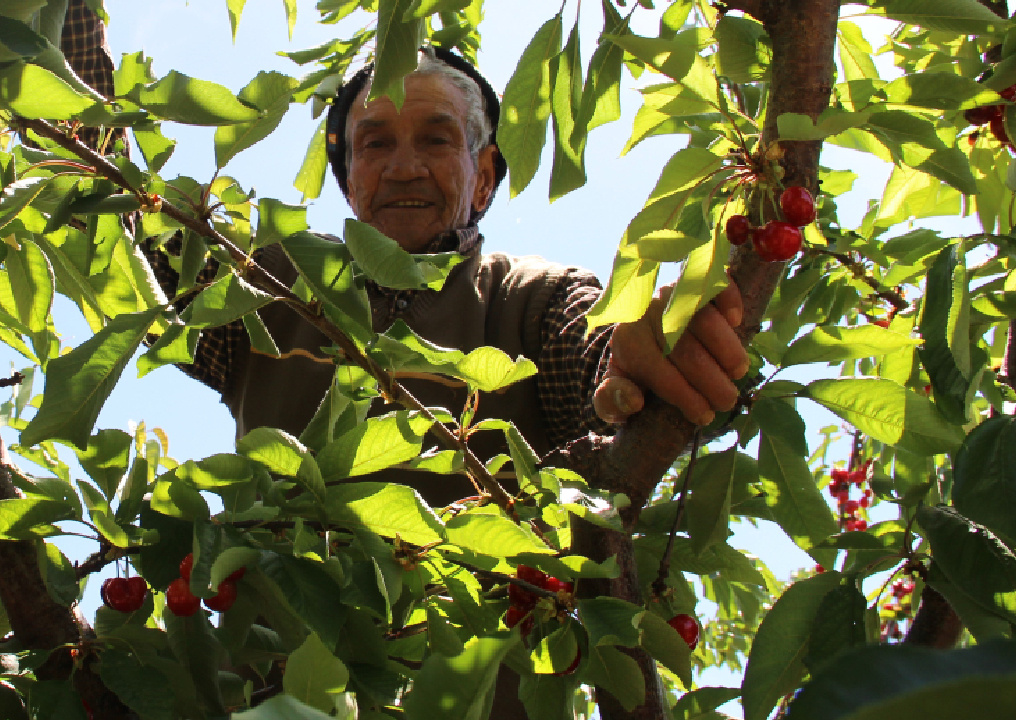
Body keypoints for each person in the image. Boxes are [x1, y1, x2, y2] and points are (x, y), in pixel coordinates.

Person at [150, 47, 747, 506]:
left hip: (482, 660)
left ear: (484, 176)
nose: (404, 168)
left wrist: (641, 355)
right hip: (268, 664)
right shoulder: (267, 282)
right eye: (375, 145)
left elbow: (599, 365)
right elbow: (120, 224)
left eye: (436, 140)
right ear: (351, 182)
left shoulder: (539, 299)